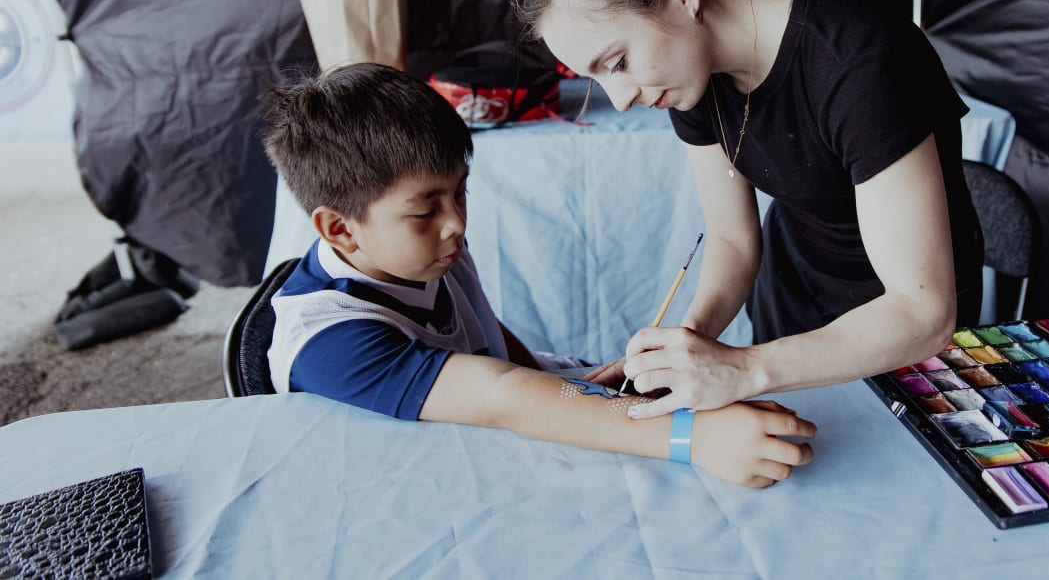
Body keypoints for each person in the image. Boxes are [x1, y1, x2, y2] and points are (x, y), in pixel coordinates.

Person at [513, 0, 984, 420]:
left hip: (897, 336)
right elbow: (734, 240)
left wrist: (740, 368)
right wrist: (684, 345)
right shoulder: (687, 75)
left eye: (617, 62)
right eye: (595, 77)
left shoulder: (857, 61)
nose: (621, 99)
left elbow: (922, 312)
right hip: (792, 309)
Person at [259, 62, 815, 488]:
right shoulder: (328, 340)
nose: (456, 223)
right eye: (425, 211)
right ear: (339, 230)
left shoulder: (424, 252)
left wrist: (582, 384)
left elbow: (494, 349)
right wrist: (695, 437)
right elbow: (503, 395)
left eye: (460, 192)